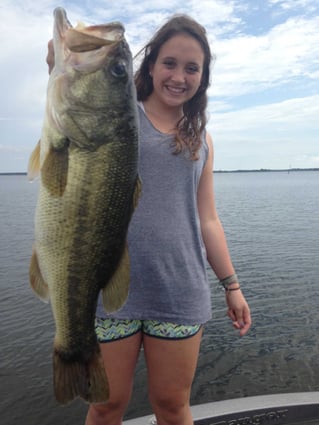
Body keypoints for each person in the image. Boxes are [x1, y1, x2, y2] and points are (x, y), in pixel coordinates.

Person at [47, 14, 251, 425]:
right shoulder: (118, 116)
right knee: (105, 406)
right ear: (151, 65)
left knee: (173, 407)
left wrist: (232, 284)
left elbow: (207, 219)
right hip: (108, 292)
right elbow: (76, 102)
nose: (179, 76)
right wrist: (56, 64)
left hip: (178, 293)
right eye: (169, 63)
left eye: (192, 68)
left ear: (203, 77)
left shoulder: (201, 139)